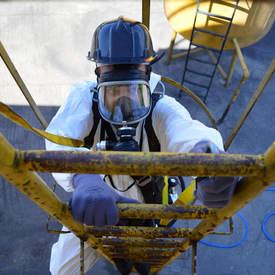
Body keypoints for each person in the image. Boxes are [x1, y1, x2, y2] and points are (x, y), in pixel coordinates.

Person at [45, 17, 238, 275]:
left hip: (147, 203)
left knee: (143, 252)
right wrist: (82, 177)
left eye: (134, 91)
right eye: (113, 91)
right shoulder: (85, 101)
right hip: (98, 196)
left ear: (147, 76)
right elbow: (57, 140)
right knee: (62, 269)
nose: (124, 103)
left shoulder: (161, 109)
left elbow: (186, 131)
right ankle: (120, 255)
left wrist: (210, 162)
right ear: (98, 76)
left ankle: (132, 257)